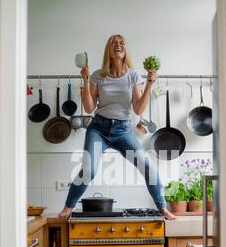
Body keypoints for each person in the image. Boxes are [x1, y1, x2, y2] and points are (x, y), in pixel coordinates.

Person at [59, 34, 176, 220]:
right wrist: (86, 81)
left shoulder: (133, 76)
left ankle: (162, 207)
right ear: (109, 49)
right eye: (114, 43)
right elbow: (89, 108)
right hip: (98, 129)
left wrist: (149, 84)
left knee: (147, 166)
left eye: (121, 43)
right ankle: (68, 206)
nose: (118, 45)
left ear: (125, 50)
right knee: (88, 170)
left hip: (122, 131)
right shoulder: (98, 75)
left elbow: (138, 108)